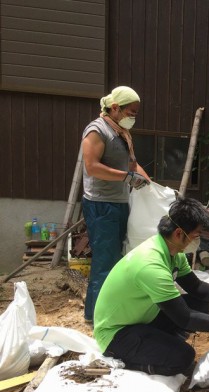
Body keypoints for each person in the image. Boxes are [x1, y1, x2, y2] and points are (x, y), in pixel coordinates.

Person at [93, 197, 209, 376]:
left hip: (142, 317)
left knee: (201, 305)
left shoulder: (173, 252)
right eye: (196, 235)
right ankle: (127, 361)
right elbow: (184, 318)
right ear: (179, 233)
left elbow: (196, 287)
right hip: (117, 334)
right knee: (183, 358)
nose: (197, 240)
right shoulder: (150, 265)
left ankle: (158, 343)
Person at [81, 86, 151, 323]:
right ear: (114, 108)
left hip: (119, 202)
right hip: (101, 205)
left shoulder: (122, 133)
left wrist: (150, 184)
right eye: (131, 112)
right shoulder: (97, 131)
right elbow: (91, 166)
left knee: (118, 260)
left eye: (136, 113)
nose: (134, 117)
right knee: (104, 261)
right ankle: (95, 316)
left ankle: (107, 310)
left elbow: (132, 165)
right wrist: (126, 178)